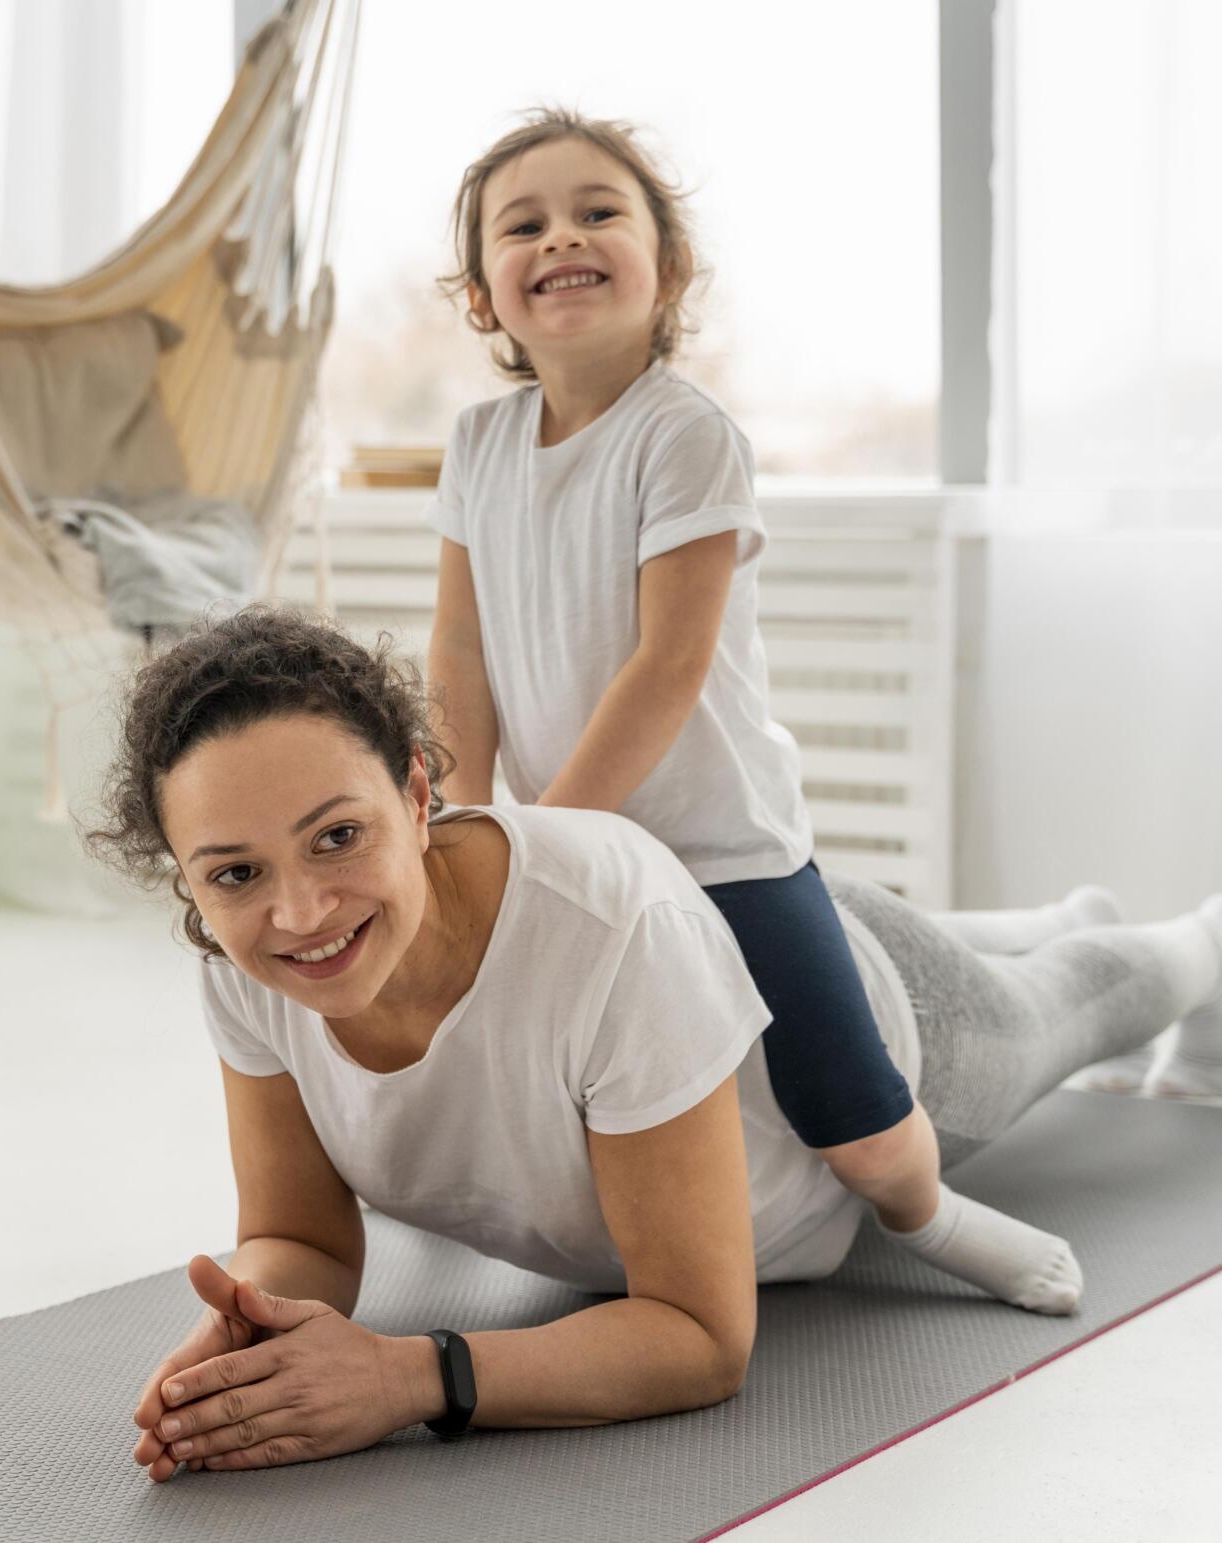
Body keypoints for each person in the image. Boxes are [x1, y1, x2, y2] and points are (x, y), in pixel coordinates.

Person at [83, 608, 1222, 1480]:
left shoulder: (611, 930)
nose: (298, 913)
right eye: (233, 871)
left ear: (418, 793)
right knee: (1031, 939)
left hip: (877, 1030)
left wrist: (409, 1377)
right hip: (703, 965)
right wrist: (248, 1337)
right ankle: (1055, 912)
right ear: (188, 877)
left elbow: (697, 1334)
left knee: (1095, 993)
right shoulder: (245, 963)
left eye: (337, 837)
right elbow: (296, 1235)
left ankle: (1185, 933)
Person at [417, 107, 1091, 1314]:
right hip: (574, 840)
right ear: (482, 295)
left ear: (666, 267)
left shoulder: (684, 435)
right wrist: (465, 827)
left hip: (721, 847)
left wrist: (552, 836)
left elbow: (668, 668)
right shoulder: (477, 443)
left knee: (850, 1113)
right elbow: (457, 648)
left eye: (597, 212)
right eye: (523, 225)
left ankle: (928, 1213)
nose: (560, 235)